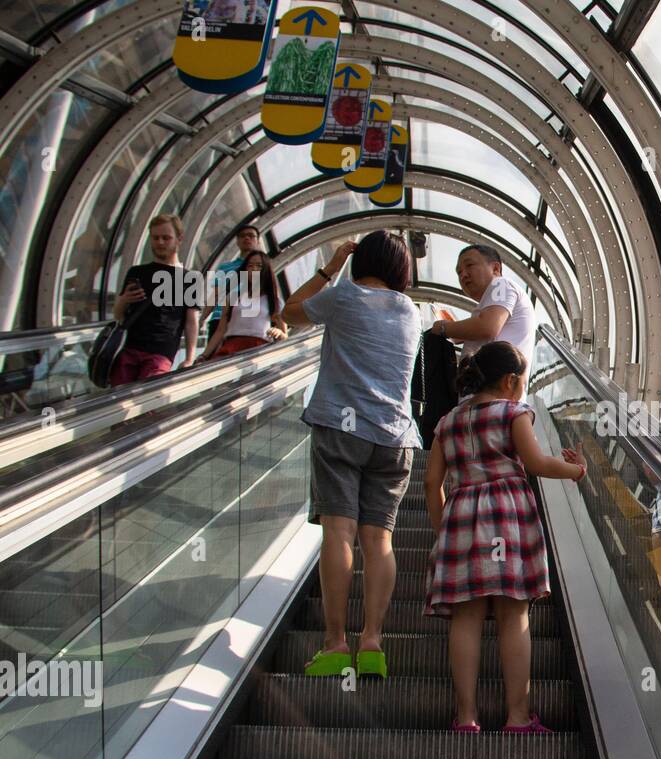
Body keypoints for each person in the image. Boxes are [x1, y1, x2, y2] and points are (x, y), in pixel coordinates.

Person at [279, 231, 424, 679]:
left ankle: (336, 644)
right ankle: (374, 642)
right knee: (379, 540)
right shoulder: (412, 312)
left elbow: (288, 313)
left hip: (342, 429)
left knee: (339, 535)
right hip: (396, 438)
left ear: (361, 261)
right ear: (403, 270)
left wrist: (331, 264)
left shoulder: (343, 295)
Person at [423, 341, 586, 733]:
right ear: (511, 380)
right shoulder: (514, 413)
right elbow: (535, 463)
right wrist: (577, 471)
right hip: (506, 514)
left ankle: (466, 717)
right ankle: (517, 716)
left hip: (461, 514)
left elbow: (431, 483)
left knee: (466, 617)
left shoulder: (447, 422)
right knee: (514, 615)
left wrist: (442, 529)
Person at [108, 214, 200, 386]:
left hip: (161, 352)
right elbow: (118, 315)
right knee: (116, 400)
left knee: (147, 403)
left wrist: (189, 358)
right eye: (155, 237)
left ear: (179, 239)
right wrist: (123, 300)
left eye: (166, 238)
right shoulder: (136, 273)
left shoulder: (190, 278)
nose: (160, 242)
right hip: (130, 348)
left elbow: (191, 321)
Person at [429, 244, 537, 388]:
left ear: (496, 269)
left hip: (496, 399)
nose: (463, 275)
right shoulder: (491, 303)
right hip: (489, 397)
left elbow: (487, 327)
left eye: (469, 265)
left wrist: (441, 327)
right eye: (459, 272)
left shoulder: (501, 284)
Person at [200, 250, 287, 360]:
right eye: (250, 266)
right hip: (232, 346)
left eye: (259, 266)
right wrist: (204, 355)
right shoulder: (233, 297)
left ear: (266, 270)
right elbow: (220, 331)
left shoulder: (274, 301)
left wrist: (279, 332)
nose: (254, 269)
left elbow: (285, 336)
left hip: (259, 348)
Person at [202, 224, 263, 343]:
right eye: (242, 236)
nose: (246, 238)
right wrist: (202, 318)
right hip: (219, 318)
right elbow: (215, 294)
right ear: (237, 241)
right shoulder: (224, 268)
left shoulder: (263, 267)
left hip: (245, 319)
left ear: (257, 241)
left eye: (251, 236)